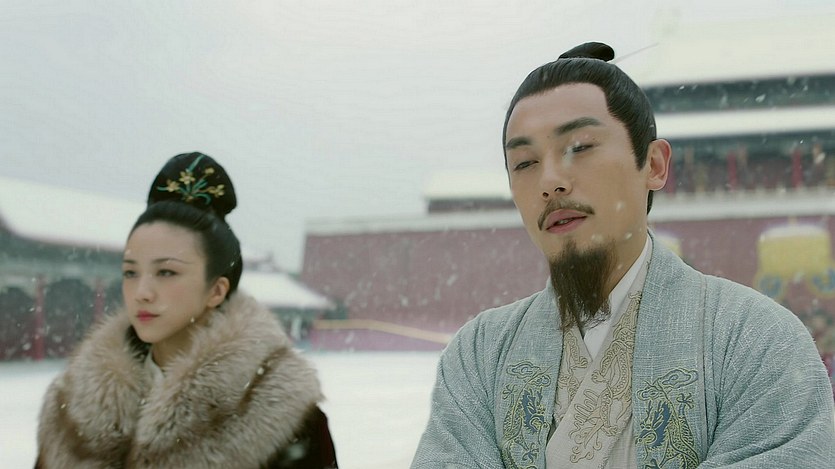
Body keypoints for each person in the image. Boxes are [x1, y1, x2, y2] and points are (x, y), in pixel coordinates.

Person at [412, 43, 835, 468]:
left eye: (580, 146)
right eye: (525, 163)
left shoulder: (755, 339)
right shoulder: (480, 353)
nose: (550, 181)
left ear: (654, 164)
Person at [36, 152, 338, 468]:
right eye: (131, 272)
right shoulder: (70, 407)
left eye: (166, 272)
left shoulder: (283, 417)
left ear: (216, 290)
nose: (142, 292)